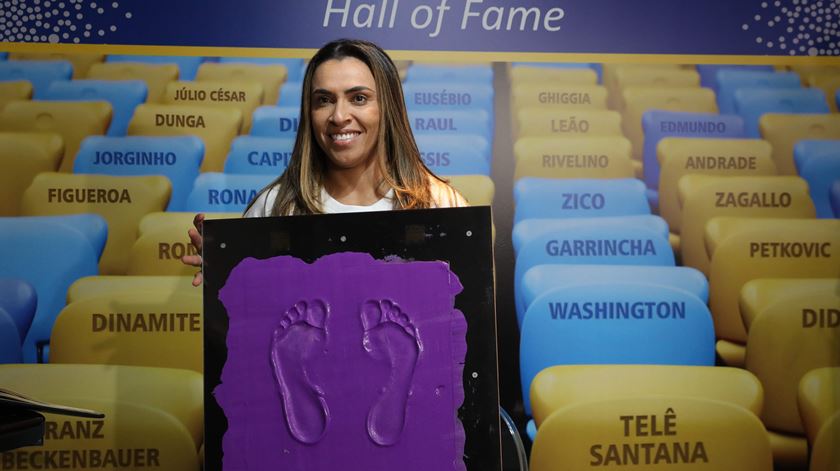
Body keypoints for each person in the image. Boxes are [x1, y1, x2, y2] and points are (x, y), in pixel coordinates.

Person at [182, 39, 468, 285]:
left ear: (388, 107)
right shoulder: (274, 207)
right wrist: (226, 281)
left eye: (358, 98)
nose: (339, 116)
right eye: (324, 100)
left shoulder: (441, 205)